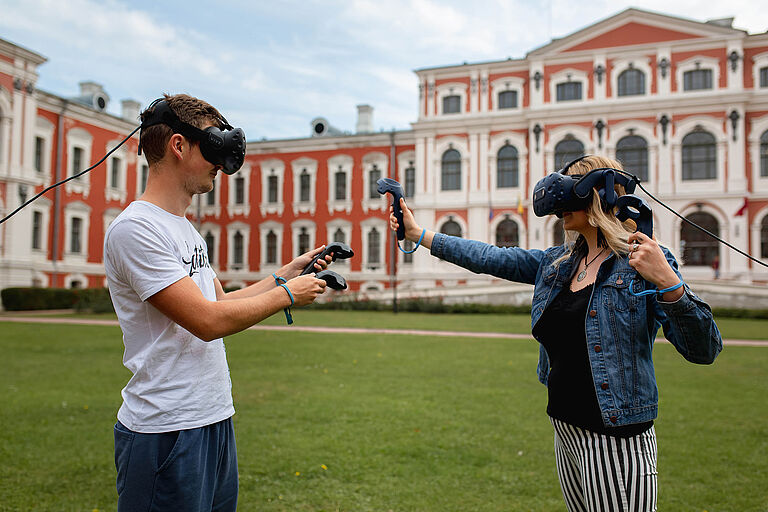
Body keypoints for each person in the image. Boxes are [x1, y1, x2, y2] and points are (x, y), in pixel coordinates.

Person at [388, 155, 722, 511]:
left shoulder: (644, 262)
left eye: (568, 190)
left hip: (615, 435)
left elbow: (704, 349)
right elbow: (489, 257)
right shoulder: (558, 263)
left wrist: (670, 284)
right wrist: (417, 234)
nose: (559, 204)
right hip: (566, 428)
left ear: (600, 195)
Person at [104, 94, 330, 511]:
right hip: (165, 431)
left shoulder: (185, 230)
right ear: (178, 145)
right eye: (211, 144)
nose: (220, 161)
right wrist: (287, 296)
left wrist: (288, 273)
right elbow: (208, 322)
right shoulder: (136, 229)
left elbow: (221, 301)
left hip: (211, 419)